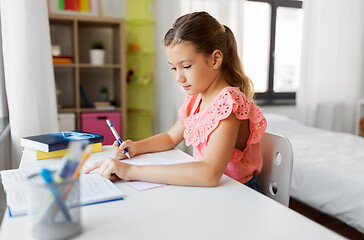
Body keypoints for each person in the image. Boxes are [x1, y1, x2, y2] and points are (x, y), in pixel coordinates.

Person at [85, 11, 267, 191]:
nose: (179, 77)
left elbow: (209, 173)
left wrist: (131, 170)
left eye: (186, 66)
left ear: (215, 59)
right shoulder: (196, 98)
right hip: (215, 191)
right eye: (174, 68)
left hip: (239, 193)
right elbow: (170, 137)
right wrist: (134, 147)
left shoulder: (229, 103)